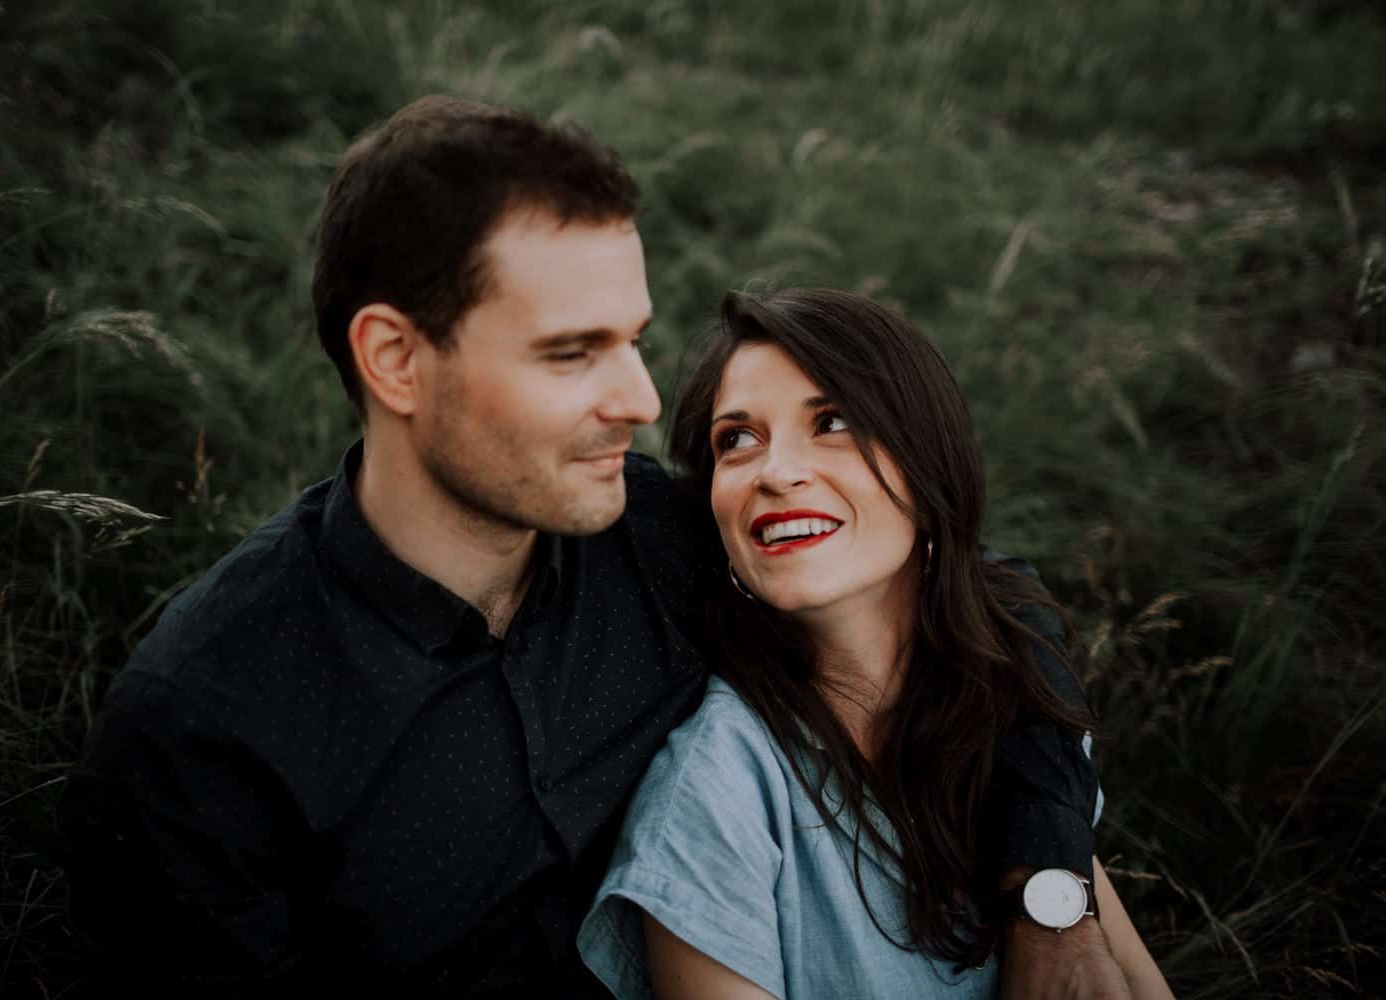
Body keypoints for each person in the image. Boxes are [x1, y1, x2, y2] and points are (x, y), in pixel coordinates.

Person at [58, 97, 1119, 997]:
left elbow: (976, 593)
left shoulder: (650, 534)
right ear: (395, 359)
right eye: (572, 353)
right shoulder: (204, 729)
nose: (642, 401)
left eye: (634, 341)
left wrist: (1048, 891)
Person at [578, 288, 1172, 999]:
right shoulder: (716, 794)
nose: (775, 472)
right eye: (736, 439)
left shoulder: (1006, 720)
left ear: (930, 471)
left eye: (832, 422)